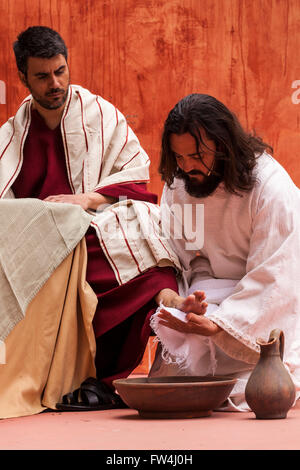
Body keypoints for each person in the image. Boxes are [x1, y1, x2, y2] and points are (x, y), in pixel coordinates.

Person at [0, 27, 206, 415]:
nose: (55, 83)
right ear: (23, 78)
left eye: (60, 71)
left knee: (138, 229)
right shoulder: (13, 133)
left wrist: (86, 200)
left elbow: (134, 172)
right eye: (42, 76)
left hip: (96, 218)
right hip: (44, 238)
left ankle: (169, 308)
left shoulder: (99, 113)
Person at [149, 93, 300, 411]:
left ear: (223, 144)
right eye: (179, 157)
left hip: (260, 309)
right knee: (175, 379)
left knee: (258, 387)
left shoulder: (270, 189)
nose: (187, 167)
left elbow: (276, 276)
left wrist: (223, 324)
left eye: (197, 155)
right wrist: (187, 303)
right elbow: (185, 258)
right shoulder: (180, 185)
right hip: (211, 303)